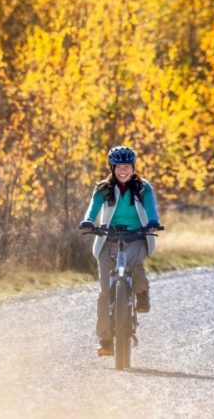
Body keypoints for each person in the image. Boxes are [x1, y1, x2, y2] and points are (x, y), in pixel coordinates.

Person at [79, 145, 161, 357]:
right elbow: (93, 207)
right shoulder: (103, 189)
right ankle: (105, 340)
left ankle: (141, 291)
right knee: (105, 292)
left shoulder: (143, 187)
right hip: (109, 237)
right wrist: (89, 220)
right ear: (112, 168)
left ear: (133, 168)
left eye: (127, 166)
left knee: (133, 264)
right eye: (118, 167)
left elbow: (151, 206)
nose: (123, 171)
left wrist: (153, 222)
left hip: (137, 235)